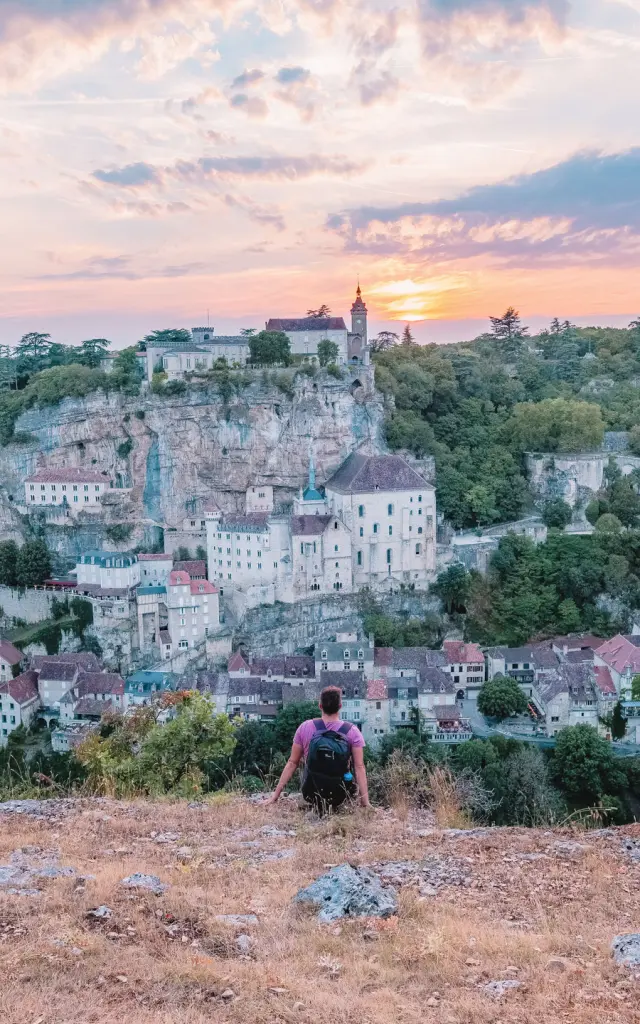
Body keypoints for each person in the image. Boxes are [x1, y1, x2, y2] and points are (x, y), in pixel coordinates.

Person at [267, 685, 370, 812]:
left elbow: (292, 763)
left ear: (320, 706)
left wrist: (275, 797)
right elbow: (359, 767)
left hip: (311, 793)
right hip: (341, 796)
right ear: (340, 706)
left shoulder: (304, 728)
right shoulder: (352, 731)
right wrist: (366, 803)